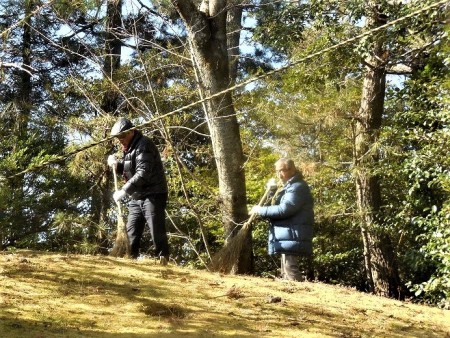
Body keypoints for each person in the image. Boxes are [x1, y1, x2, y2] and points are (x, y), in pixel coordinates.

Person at [107, 117, 170, 265]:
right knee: (131, 231)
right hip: (137, 195)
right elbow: (130, 168)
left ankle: (163, 261)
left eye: (122, 136)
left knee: (156, 229)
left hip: (153, 194)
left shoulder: (144, 145)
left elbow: (143, 173)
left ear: (131, 132)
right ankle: (130, 260)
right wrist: (117, 165)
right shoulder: (129, 148)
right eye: (117, 137)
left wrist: (124, 190)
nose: (120, 140)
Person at [250, 158, 314, 281]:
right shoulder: (288, 187)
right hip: (288, 233)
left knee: (290, 269)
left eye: (282, 171)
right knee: (286, 269)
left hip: (294, 233)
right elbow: (277, 204)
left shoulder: (297, 187)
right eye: (277, 171)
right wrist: (272, 192)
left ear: (292, 170)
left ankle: (299, 296)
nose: (279, 175)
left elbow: (285, 209)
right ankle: (291, 296)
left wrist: (260, 210)